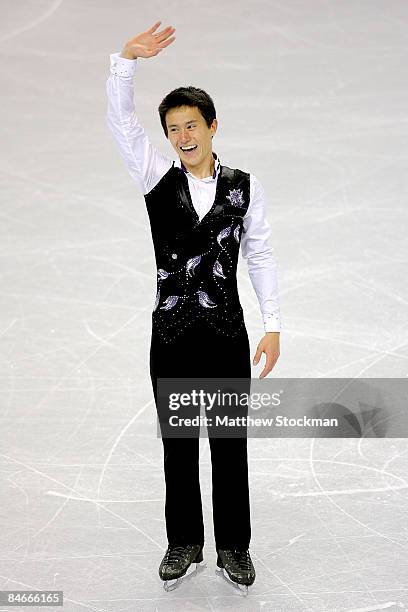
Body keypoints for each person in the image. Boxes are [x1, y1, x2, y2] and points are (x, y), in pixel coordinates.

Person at [106, 20, 281, 592]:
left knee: (229, 447)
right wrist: (124, 62)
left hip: (228, 333)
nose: (182, 135)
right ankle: (184, 541)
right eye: (172, 128)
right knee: (178, 446)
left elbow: (261, 256)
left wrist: (272, 325)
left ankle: (234, 546)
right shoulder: (156, 178)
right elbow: (122, 126)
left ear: (212, 126)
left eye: (191, 125)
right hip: (174, 334)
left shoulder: (243, 189)